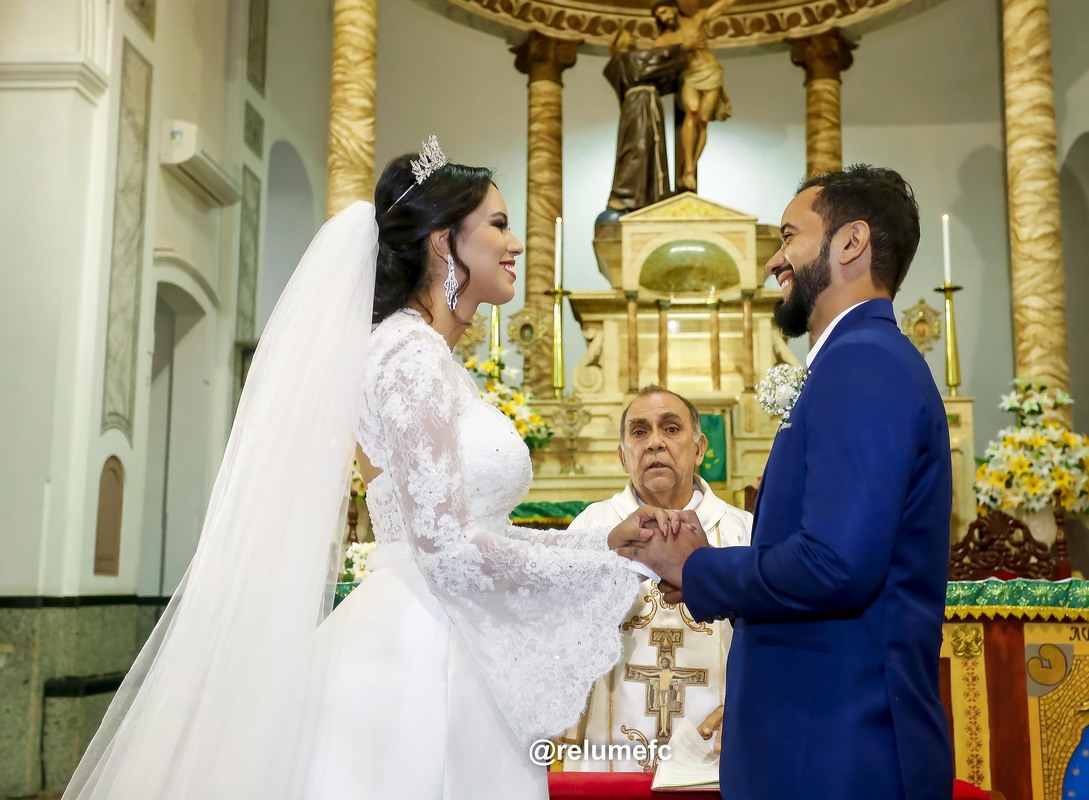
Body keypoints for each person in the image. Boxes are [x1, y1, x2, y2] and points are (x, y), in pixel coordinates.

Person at [64, 138, 671, 800]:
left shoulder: (431, 361)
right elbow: (445, 552)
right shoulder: (408, 357)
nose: (516, 243)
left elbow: (469, 528)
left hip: (444, 632)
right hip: (421, 655)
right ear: (445, 243)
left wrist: (599, 541)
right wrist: (614, 567)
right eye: (498, 224)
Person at [620, 165, 954, 799]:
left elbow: (837, 564)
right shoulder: (858, 359)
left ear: (850, 244)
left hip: (839, 747)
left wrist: (700, 569)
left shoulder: (861, 363)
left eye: (789, 236)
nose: (775, 260)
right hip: (820, 738)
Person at [560, 386, 751, 771]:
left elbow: (776, 638)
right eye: (639, 432)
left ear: (699, 448)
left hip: (719, 748)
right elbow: (557, 637)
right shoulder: (592, 529)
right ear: (622, 455)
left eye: (671, 428)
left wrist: (752, 707)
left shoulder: (743, 532)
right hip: (608, 753)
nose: (655, 443)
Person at [651, 0, 734, 192]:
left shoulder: (695, 21)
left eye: (663, 11)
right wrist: (683, 47)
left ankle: (692, 165)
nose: (663, 17)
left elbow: (720, 7)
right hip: (690, 76)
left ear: (672, 7)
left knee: (703, 121)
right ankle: (688, 167)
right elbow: (657, 60)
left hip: (711, 72)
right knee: (692, 112)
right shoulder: (663, 40)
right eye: (659, 16)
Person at [603, 31, 687, 213]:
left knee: (644, 148)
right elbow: (657, 61)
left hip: (637, 106)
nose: (634, 38)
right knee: (638, 149)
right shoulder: (626, 60)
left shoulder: (625, 62)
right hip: (641, 105)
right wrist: (682, 46)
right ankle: (624, 195)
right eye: (629, 36)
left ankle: (647, 196)